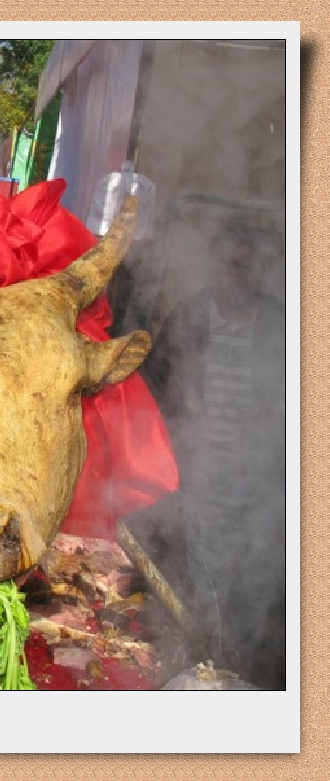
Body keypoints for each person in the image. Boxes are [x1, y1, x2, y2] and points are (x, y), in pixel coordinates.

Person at [142, 220, 285, 688]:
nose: (236, 276)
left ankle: (241, 658)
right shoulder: (192, 315)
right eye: (229, 264)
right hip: (202, 467)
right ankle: (210, 658)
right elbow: (157, 385)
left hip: (261, 477)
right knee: (207, 570)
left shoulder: (280, 323)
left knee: (258, 573)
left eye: (247, 267)